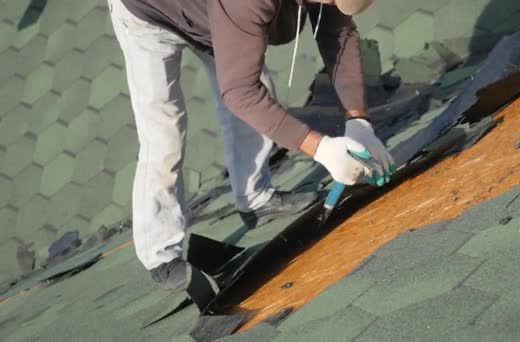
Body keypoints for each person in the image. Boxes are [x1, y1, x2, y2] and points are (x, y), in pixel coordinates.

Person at [108, 0, 395, 292]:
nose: (331, 5)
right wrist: (320, 148)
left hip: (213, 14)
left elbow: (339, 36)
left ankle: (255, 198)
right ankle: (160, 255)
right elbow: (240, 93)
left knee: (260, 89)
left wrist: (359, 121)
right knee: (164, 135)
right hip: (149, 15)